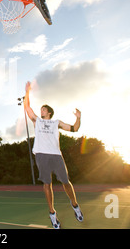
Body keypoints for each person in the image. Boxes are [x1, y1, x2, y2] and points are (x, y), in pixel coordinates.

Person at [24, 81, 83, 229]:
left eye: (43, 109)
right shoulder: (36, 121)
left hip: (56, 155)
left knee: (66, 182)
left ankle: (75, 206)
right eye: (41, 109)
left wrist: (78, 118)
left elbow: (74, 129)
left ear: (49, 112)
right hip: (42, 155)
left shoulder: (57, 122)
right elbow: (27, 107)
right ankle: (52, 214)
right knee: (47, 184)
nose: (41, 110)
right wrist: (27, 92)